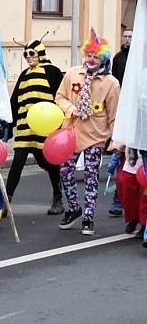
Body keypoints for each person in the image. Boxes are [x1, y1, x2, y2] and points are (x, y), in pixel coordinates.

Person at [54, 29, 120, 236]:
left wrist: (114, 138)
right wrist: (71, 109)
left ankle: (89, 217)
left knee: (91, 176)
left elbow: (114, 113)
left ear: (103, 59)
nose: (91, 60)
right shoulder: (73, 73)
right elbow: (60, 96)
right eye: (89, 55)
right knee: (65, 171)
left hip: (95, 136)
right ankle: (73, 208)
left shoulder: (111, 83)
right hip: (71, 133)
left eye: (96, 57)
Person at [5, 38, 65, 215]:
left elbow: (60, 98)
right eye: (26, 54)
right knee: (17, 163)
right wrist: (9, 123)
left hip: (45, 128)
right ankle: (6, 201)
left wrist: (61, 125)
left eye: (32, 53)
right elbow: (15, 101)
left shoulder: (52, 72)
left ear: (41, 53)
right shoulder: (24, 75)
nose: (28, 57)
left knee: (49, 162)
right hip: (24, 129)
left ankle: (57, 196)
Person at [108, 28, 131, 217]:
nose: (127, 39)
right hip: (121, 106)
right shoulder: (118, 58)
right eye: (124, 36)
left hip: (135, 107)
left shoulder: (139, 57)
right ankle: (118, 200)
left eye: (130, 36)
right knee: (120, 155)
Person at [112, 147, 146, 237]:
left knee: (144, 197)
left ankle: (144, 225)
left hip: (144, 160)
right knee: (126, 192)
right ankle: (132, 218)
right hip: (131, 158)